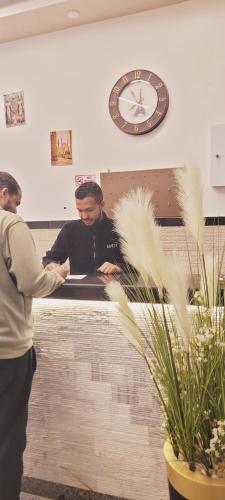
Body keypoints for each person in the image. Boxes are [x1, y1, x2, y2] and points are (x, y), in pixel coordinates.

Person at [0, 171, 68, 500]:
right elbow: (32, 282)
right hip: (8, 352)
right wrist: (59, 275)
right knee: (8, 440)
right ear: (3, 193)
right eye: (16, 201)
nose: (16, 208)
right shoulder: (10, 225)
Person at [43, 181, 125, 274]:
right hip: (79, 288)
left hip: (112, 287)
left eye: (89, 210)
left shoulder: (119, 229)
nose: (84, 216)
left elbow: (136, 267)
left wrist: (119, 268)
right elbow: (51, 258)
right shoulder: (69, 230)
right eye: (80, 210)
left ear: (101, 205)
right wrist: (50, 264)